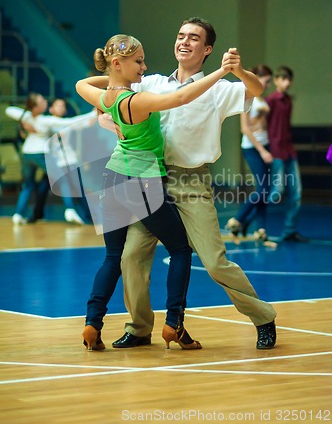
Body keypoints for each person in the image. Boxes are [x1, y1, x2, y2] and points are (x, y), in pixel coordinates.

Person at [77, 17, 277, 351]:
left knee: (214, 262)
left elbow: (256, 89)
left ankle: (263, 317)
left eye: (194, 38)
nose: (184, 41)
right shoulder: (150, 82)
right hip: (148, 179)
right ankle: (140, 328)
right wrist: (110, 92)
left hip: (192, 182)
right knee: (131, 257)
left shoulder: (220, 88)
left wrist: (238, 70)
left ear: (207, 49)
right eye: (181, 35)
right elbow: (110, 86)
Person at [5, 94, 95, 224]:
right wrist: (92, 113)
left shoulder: (29, 117)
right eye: (42, 101)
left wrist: (24, 120)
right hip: (41, 155)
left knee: (29, 186)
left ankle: (18, 214)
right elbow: (69, 122)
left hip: (27, 154)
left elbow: (9, 110)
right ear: (36, 107)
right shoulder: (44, 120)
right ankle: (69, 210)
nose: (45, 101)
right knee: (61, 180)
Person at [225, 64, 276, 246]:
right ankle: (237, 220)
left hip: (265, 146)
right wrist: (262, 151)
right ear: (258, 77)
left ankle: (260, 229)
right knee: (262, 190)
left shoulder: (262, 100)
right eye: (266, 80)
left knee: (265, 191)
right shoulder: (248, 96)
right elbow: (245, 128)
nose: (268, 85)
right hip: (252, 148)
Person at [30, 98, 93, 225]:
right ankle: (37, 215)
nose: (61, 108)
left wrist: (94, 113)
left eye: (63, 106)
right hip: (53, 163)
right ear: (51, 109)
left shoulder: (66, 123)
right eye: (58, 106)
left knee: (78, 188)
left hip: (69, 161)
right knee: (43, 188)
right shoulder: (46, 123)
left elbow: (84, 124)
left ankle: (89, 216)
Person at [265, 66, 308, 242]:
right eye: (283, 79)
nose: (287, 82)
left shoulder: (288, 100)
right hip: (276, 151)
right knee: (277, 190)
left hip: (289, 150)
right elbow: (264, 125)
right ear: (276, 80)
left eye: (289, 79)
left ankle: (289, 229)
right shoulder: (270, 101)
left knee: (296, 192)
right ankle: (257, 222)